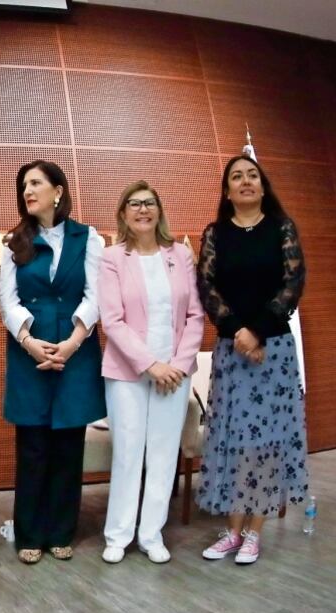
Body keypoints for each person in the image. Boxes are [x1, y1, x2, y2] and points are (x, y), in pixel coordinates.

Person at [196, 155, 308, 565]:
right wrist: (237, 331)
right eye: (236, 177)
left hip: (272, 351)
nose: (245, 181)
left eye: (252, 175)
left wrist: (257, 331)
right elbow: (206, 285)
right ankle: (232, 531)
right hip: (231, 350)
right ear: (227, 191)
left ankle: (254, 533)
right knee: (232, 440)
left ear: (262, 186)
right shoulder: (216, 233)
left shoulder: (281, 228)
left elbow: (293, 282)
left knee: (265, 444)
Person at [0, 159, 105, 564]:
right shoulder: (14, 242)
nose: (28, 191)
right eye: (23, 185)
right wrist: (28, 342)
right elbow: (8, 301)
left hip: (75, 351)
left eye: (36, 183)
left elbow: (95, 296)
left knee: (67, 447)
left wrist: (73, 342)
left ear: (58, 191)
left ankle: (61, 532)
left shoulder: (88, 237)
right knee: (32, 448)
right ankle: (29, 534)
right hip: (29, 352)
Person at [98, 181, 204, 564]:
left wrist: (178, 365)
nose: (142, 209)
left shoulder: (181, 254)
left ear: (159, 211)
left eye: (149, 203)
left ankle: (151, 534)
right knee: (128, 453)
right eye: (134, 203)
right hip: (128, 372)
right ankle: (118, 535)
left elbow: (195, 315)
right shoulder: (112, 257)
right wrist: (150, 364)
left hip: (175, 373)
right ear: (123, 213)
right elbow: (112, 320)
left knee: (162, 453)